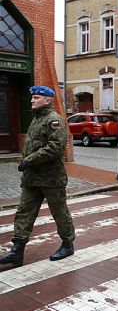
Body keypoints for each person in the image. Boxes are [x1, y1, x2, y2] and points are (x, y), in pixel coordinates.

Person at [0, 86, 75, 267]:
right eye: (32, 98)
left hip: (51, 179)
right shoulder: (36, 119)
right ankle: (17, 251)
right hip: (32, 178)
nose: (32, 100)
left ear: (48, 100)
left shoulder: (54, 120)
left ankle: (67, 244)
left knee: (59, 212)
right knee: (24, 213)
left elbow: (55, 148)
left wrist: (29, 160)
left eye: (36, 97)